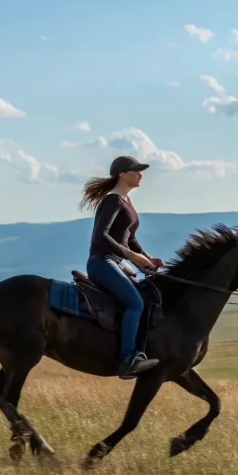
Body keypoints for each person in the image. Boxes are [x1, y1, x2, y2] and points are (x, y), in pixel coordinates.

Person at [80, 155, 164, 379]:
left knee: (145, 298)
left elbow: (130, 239)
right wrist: (131, 257)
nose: (140, 175)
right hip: (101, 262)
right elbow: (101, 236)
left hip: (116, 263)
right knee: (135, 302)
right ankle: (128, 360)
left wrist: (147, 258)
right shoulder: (112, 200)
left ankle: (140, 351)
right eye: (136, 171)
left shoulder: (127, 202)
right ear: (122, 174)